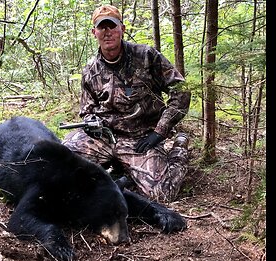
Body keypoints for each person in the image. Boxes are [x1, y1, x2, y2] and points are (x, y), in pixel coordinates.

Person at [62, 4, 191, 202]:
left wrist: (160, 131)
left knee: (161, 193)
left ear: (122, 29)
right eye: (102, 27)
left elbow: (180, 90)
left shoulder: (146, 56)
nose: (107, 32)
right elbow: (87, 109)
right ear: (94, 32)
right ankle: (118, 170)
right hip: (104, 137)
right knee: (60, 165)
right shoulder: (90, 69)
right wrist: (91, 123)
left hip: (141, 138)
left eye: (112, 26)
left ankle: (179, 148)